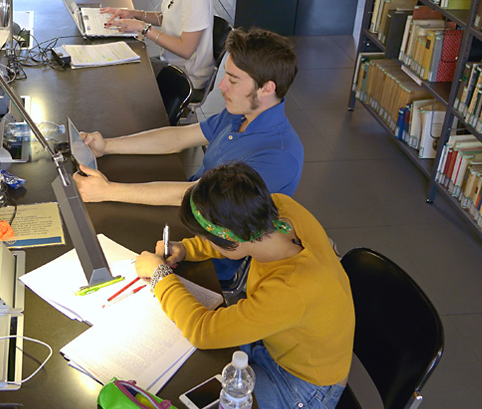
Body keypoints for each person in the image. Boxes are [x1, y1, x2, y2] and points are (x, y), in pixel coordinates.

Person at [133, 163, 351, 409]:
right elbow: (237, 238)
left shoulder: (292, 288)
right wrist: (186, 248)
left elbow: (203, 331)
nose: (205, 241)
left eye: (207, 238)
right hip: (278, 343)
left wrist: (159, 275)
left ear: (229, 238)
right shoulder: (279, 208)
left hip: (301, 386)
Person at [74, 26, 302, 204]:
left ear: (267, 89)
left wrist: (109, 191)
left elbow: (199, 195)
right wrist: (107, 146)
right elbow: (178, 138)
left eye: (232, 80)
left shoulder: (278, 156)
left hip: (210, 246)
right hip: (190, 207)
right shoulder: (242, 114)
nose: (221, 86)